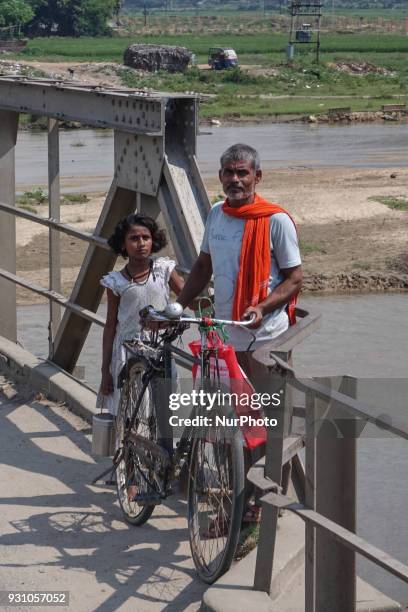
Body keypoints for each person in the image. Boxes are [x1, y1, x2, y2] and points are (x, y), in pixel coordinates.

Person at [177, 143, 303, 524]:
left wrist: (262, 308)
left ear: (257, 177)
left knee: (267, 424)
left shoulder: (275, 220)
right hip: (228, 337)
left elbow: (295, 278)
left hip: (267, 339)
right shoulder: (216, 215)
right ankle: (242, 501)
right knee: (234, 422)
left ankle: (264, 506)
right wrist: (178, 305)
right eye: (228, 173)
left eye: (242, 173)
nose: (235, 179)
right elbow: (203, 265)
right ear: (220, 177)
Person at [96, 213, 185, 420]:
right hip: (128, 349)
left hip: (161, 344)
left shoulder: (164, 269)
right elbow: (110, 326)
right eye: (134, 239)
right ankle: (129, 447)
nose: (141, 243)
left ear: (153, 240)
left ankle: (161, 448)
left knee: (164, 405)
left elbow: (187, 295)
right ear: (123, 244)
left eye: (146, 237)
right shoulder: (115, 282)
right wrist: (104, 371)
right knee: (130, 410)